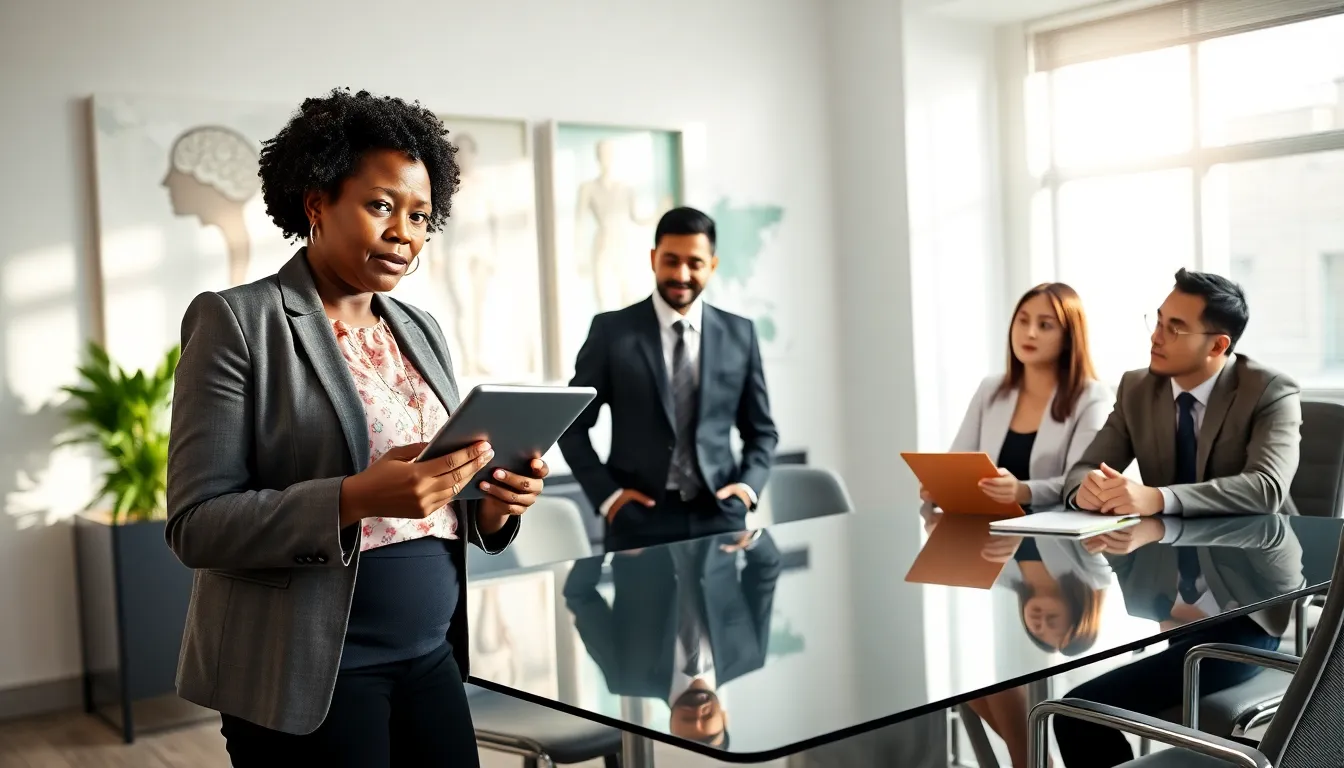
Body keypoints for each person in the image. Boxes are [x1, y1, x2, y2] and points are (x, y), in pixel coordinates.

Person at [165, 88, 548, 768]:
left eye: (421, 216)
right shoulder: (238, 324)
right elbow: (197, 525)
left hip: (431, 655)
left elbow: (433, 499)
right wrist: (356, 497)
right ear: (316, 204)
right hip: (307, 672)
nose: (406, 231)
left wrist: (489, 507)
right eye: (381, 205)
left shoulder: (421, 329)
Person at [921, 282, 1111, 768]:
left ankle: (1029, 759)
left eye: (1045, 324)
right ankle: (1030, 759)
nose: (1028, 332)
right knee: (966, 670)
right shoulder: (993, 389)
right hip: (983, 548)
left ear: (1069, 337)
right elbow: (961, 458)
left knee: (994, 674)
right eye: (1023, 320)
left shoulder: (1089, 395)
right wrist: (942, 483)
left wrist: (1024, 490)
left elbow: (1080, 479)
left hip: (1060, 548)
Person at [558, 206, 779, 551]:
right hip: (636, 520)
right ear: (653, 258)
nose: (682, 273)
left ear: (713, 265)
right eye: (671, 260)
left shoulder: (741, 334)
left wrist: (746, 491)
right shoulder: (611, 332)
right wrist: (610, 497)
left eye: (695, 263)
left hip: (721, 515)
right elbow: (570, 426)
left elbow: (761, 430)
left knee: (727, 608)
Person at [1056, 514, 1304, 766]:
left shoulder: (1236, 506)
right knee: (1076, 713)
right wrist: (1114, 539)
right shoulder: (1154, 509)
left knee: (1074, 714)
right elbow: (1134, 579)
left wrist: (1163, 525)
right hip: (1189, 632)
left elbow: (1272, 536)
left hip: (1242, 635)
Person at [1063, 268, 1302, 517]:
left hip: (1257, 545)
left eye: (1174, 330)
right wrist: (1085, 490)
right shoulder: (1136, 388)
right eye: (1158, 322)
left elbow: (1266, 488)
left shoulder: (1270, 391)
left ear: (1217, 345)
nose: (1155, 338)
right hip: (1166, 546)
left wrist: (1160, 498)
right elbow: (1085, 468)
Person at [563, 529, 782, 750]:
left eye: (688, 723)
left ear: (671, 729)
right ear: (725, 719)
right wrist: (751, 538)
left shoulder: (625, 676)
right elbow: (766, 569)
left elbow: (579, 596)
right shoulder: (749, 655)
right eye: (709, 725)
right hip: (713, 520)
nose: (698, 715)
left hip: (642, 526)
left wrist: (610, 544)